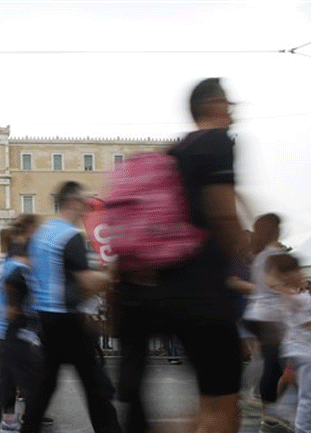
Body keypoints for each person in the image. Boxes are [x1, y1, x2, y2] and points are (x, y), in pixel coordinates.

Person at [115, 78, 245, 433]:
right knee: (223, 406)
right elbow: (223, 213)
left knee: (210, 406)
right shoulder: (218, 141)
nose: (232, 111)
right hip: (204, 291)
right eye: (228, 102)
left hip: (166, 288)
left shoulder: (174, 152)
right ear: (212, 104)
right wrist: (241, 254)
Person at [20, 181, 120, 433]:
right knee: (95, 385)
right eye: (84, 204)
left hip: (45, 317)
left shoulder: (41, 234)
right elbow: (86, 282)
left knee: (46, 385)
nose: (85, 210)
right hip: (66, 318)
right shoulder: (69, 235)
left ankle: (28, 428)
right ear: (72, 202)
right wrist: (111, 274)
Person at [0, 214, 43, 433]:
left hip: (5, 331)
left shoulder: (12, 263)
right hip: (10, 332)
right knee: (30, 380)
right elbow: (12, 284)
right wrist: (14, 307)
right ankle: (28, 420)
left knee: (4, 381)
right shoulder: (18, 265)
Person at [242, 213, 290, 430]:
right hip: (268, 317)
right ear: (274, 230)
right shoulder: (272, 254)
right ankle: (267, 412)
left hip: (259, 314)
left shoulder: (260, 254)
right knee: (274, 364)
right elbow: (272, 283)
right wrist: (288, 292)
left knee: (271, 362)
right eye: (278, 227)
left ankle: (262, 404)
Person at [265, 253, 311, 433]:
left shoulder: (287, 298)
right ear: (287, 274)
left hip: (291, 351)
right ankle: (301, 428)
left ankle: (280, 410)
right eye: (297, 270)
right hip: (304, 353)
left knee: (301, 391)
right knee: (307, 396)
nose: (301, 274)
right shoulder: (301, 298)